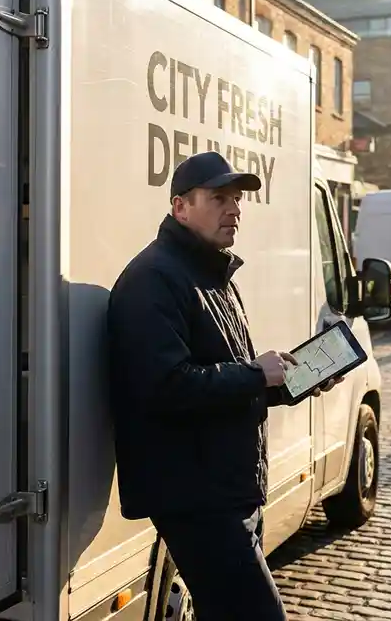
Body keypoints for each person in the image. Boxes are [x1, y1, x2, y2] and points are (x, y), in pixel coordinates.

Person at [106, 150, 340, 621]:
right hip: (195, 494)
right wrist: (257, 374)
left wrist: (288, 382)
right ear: (180, 207)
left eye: (236, 199)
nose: (234, 209)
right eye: (219, 198)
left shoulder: (210, 272)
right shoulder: (153, 279)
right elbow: (166, 387)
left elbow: (222, 377)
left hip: (228, 487)